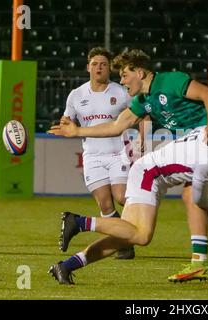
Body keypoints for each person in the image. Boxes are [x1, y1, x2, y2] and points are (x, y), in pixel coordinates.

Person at [48, 49, 208, 282]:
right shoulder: (143, 100)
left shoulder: (170, 80)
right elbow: (117, 126)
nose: (122, 81)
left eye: (125, 75)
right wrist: (78, 131)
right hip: (192, 155)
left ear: (140, 72)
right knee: (146, 229)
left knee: (144, 229)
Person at [48, 124, 208, 286]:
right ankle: (78, 221)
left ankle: (66, 266)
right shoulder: (207, 161)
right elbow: (199, 200)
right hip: (149, 175)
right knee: (141, 236)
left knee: (126, 237)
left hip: (154, 173)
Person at [62, 47, 135, 259]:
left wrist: (142, 143)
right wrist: (63, 126)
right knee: (105, 204)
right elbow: (67, 121)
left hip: (119, 153)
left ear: (109, 68)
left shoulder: (121, 92)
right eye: (95, 64)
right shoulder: (76, 95)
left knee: (122, 196)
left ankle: (130, 234)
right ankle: (124, 243)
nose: (99, 68)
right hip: (92, 156)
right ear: (88, 67)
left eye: (103, 64)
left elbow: (142, 115)